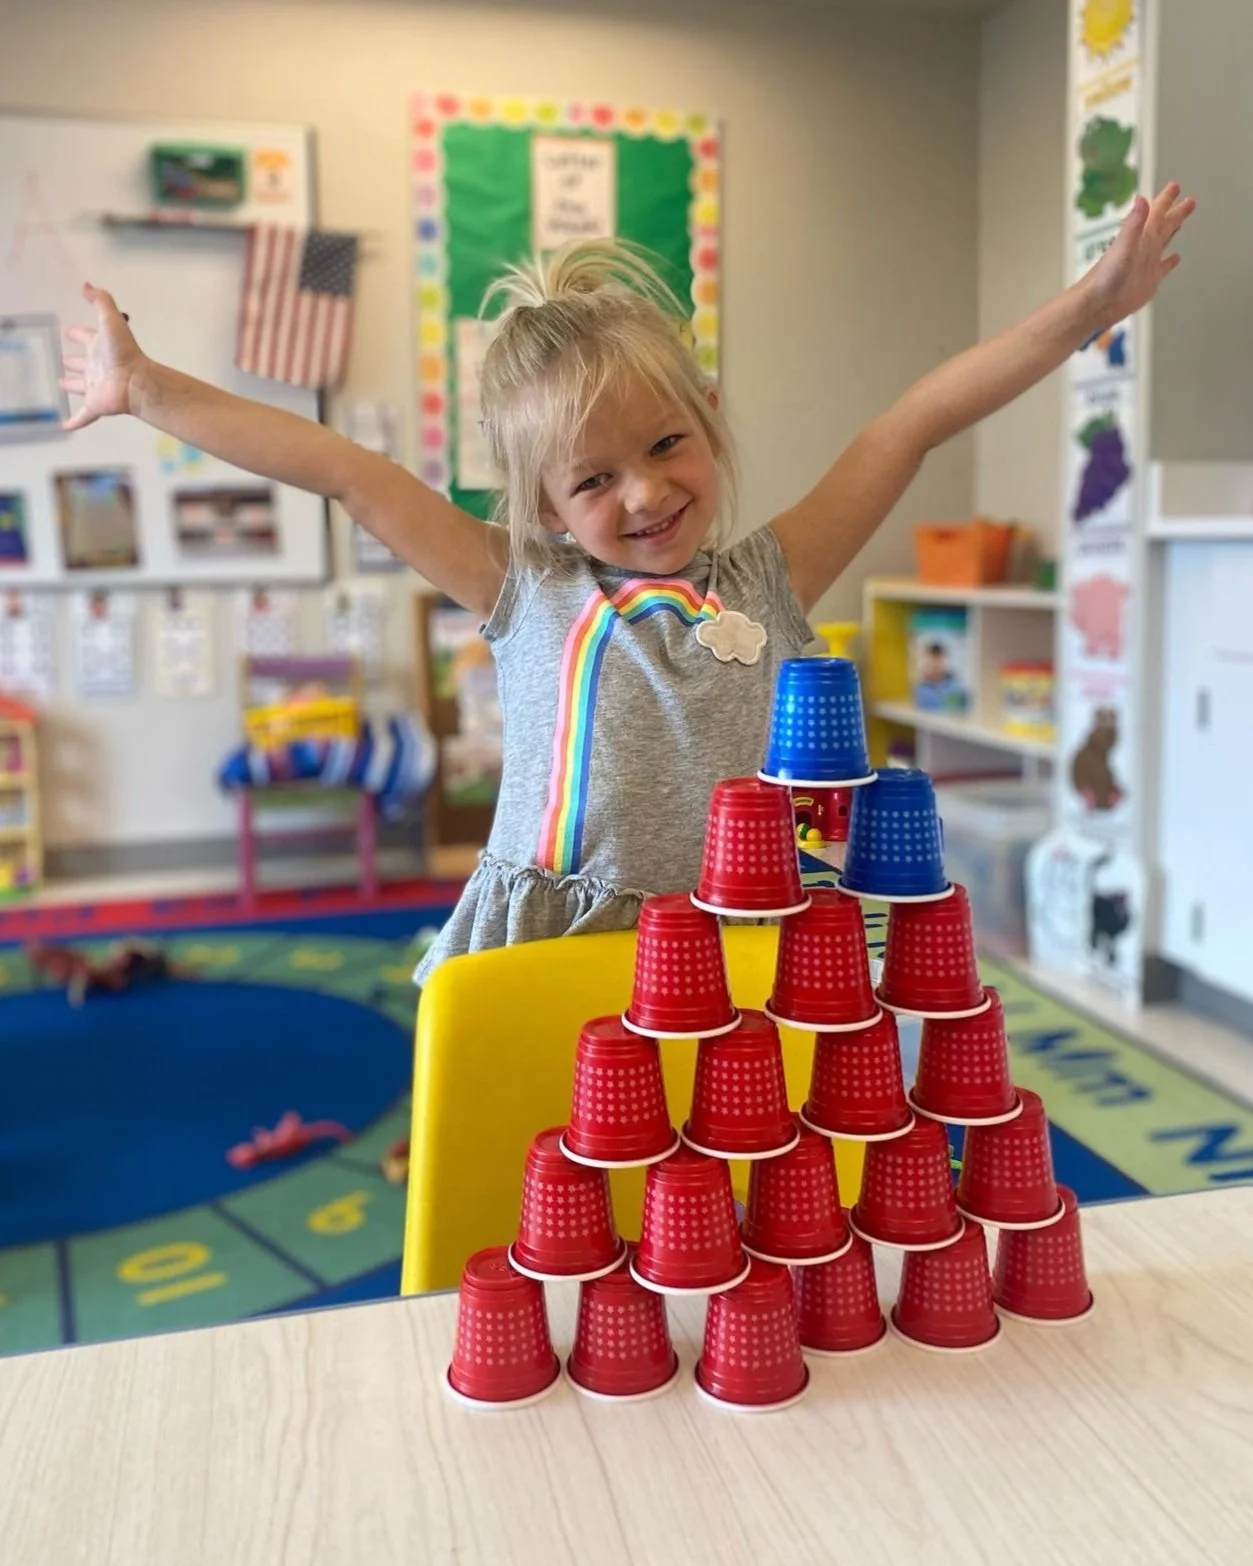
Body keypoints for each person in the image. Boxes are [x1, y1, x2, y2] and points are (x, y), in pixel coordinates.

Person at [60, 184, 1193, 985]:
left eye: (664, 446)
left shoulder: (770, 575)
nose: (644, 495)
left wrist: (1083, 313)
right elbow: (347, 475)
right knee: (543, 1202)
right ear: (547, 507)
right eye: (593, 479)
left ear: (705, 421)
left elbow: (909, 425)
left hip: (734, 932)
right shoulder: (524, 588)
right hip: (557, 942)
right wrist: (148, 389)